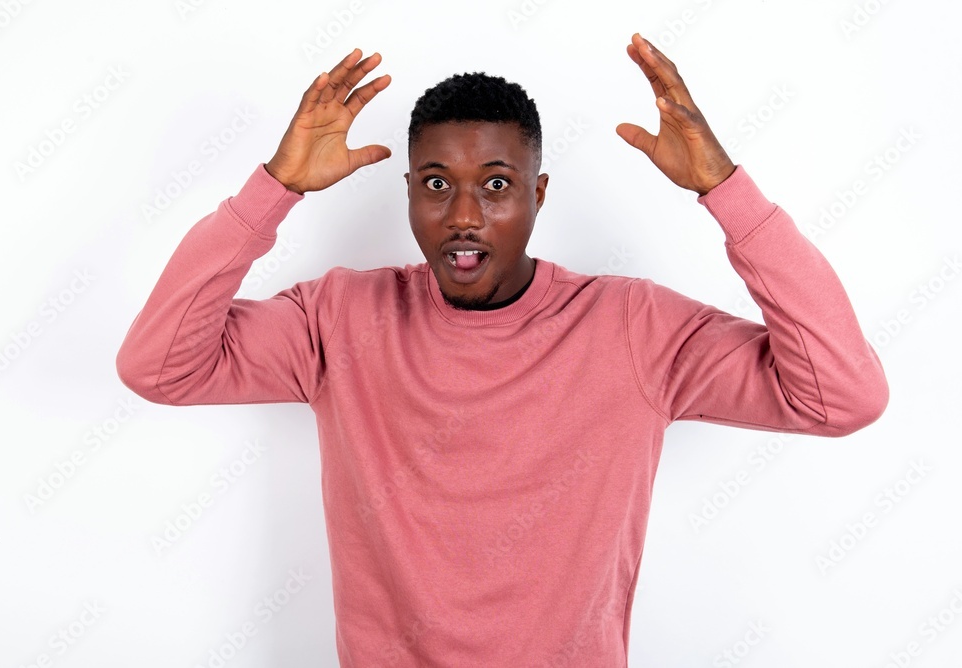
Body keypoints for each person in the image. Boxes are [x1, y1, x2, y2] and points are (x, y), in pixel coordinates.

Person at [116, 33, 889, 667]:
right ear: (408, 192)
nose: (463, 215)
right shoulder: (340, 319)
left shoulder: (632, 328)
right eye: (435, 183)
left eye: (495, 185)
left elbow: (841, 397)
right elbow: (157, 366)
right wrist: (272, 189)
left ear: (538, 193)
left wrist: (727, 193)